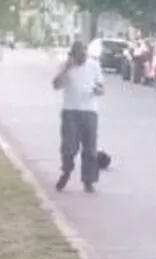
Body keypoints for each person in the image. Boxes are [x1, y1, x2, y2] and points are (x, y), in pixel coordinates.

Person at [52, 41, 104, 193]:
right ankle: (66, 170)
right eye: (78, 56)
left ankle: (88, 180)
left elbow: (101, 88)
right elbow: (56, 85)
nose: (81, 59)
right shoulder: (65, 65)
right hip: (70, 110)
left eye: (84, 55)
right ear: (72, 55)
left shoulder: (94, 65)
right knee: (68, 146)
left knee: (90, 148)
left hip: (90, 111)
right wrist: (67, 69)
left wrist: (98, 90)